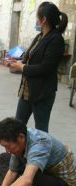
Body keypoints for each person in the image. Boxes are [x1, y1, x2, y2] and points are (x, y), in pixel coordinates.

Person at [5, 2, 68, 133]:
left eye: (37, 16)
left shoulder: (56, 40)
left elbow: (46, 68)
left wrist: (21, 67)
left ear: (43, 20)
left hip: (42, 93)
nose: (36, 19)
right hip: (27, 90)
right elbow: (31, 59)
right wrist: (16, 61)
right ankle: (16, 154)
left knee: (41, 131)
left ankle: (41, 153)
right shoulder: (39, 36)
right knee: (17, 127)